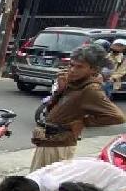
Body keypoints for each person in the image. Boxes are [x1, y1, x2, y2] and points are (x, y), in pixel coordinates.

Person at [31, 43, 125, 171]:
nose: (73, 70)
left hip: (60, 145)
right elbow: (51, 110)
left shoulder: (90, 89)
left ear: (93, 69)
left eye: (79, 67)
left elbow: (117, 117)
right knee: (34, 181)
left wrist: (83, 122)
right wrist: (60, 90)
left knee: (45, 185)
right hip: (47, 142)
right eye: (71, 65)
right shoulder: (72, 84)